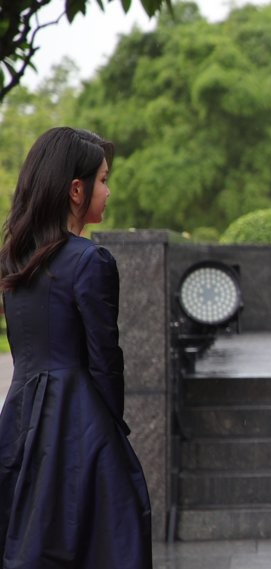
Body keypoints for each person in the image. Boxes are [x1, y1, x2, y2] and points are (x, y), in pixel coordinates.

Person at [0, 127, 152, 568]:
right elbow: (105, 360)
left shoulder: (17, 261)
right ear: (75, 190)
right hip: (82, 424)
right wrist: (112, 436)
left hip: (19, 422)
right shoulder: (90, 261)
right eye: (103, 179)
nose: (108, 190)